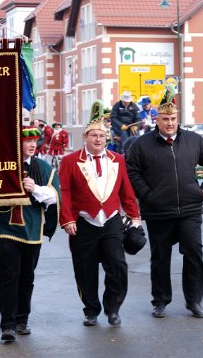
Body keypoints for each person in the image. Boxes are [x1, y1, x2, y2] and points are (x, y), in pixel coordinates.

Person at [126, 90, 203, 319]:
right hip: (158, 211)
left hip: (190, 210)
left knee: (194, 253)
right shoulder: (142, 145)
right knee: (160, 257)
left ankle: (194, 301)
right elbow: (132, 171)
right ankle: (160, 301)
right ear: (157, 120)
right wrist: (148, 195)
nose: (169, 123)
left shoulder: (194, 140)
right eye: (165, 119)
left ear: (178, 120)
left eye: (173, 119)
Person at [59, 102, 141, 327]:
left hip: (112, 220)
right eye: (94, 135)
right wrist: (66, 219)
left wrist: (134, 216)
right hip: (84, 221)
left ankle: (113, 308)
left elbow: (127, 191)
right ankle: (91, 309)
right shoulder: (70, 161)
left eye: (102, 136)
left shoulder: (118, 160)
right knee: (85, 270)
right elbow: (64, 192)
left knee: (117, 266)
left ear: (107, 138)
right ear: (86, 137)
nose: (98, 139)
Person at [0, 126, 61, 342]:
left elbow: (54, 196)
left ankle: (22, 319)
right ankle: (8, 325)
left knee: (26, 277)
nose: (32, 145)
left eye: (35, 141)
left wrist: (35, 189)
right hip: (4, 229)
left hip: (32, 230)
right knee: (9, 277)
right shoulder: (0, 164)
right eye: (26, 141)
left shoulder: (43, 168)